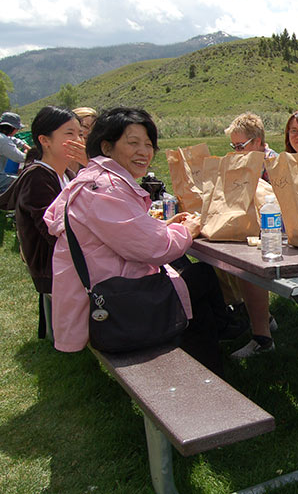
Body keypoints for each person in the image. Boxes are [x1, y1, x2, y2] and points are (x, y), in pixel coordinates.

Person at [43, 107, 224, 374]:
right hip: (112, 305)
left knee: (196, 282)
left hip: (101, 290)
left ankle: (217, 343)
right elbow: (156, 248)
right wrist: (188, 230)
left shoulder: (91, 180)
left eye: (148, 145)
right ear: (107, 146)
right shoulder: (105, 188)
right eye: (133, 143)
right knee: (202, 277)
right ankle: (210, 371)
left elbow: (120, 234)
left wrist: (164, 226)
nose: (144, 152)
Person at [0, 106, 80, 339]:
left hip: (66, 256)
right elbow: (54, 235)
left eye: (80, 134)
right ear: (45, 140)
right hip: (53, 266)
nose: (78, 140)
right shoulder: (38, 177)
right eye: (69, 134)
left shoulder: (64, 173)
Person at [223, 112, 278, 359]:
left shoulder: (273, 165)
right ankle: (264, 318)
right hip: (260, 235)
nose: (235, 152)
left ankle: (262, 338)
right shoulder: (247, 163)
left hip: (277, 238)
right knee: (223, 261)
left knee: (244, 265)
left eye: (239, 146)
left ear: (257, 142)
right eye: (233, 147)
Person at [0, 112, 30, 193]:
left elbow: (13, 139)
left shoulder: (3, 137)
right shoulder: (3, 140)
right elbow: (19, 157)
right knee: (24, 183)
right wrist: (30, 154)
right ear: (12, 128)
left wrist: (24, 145)